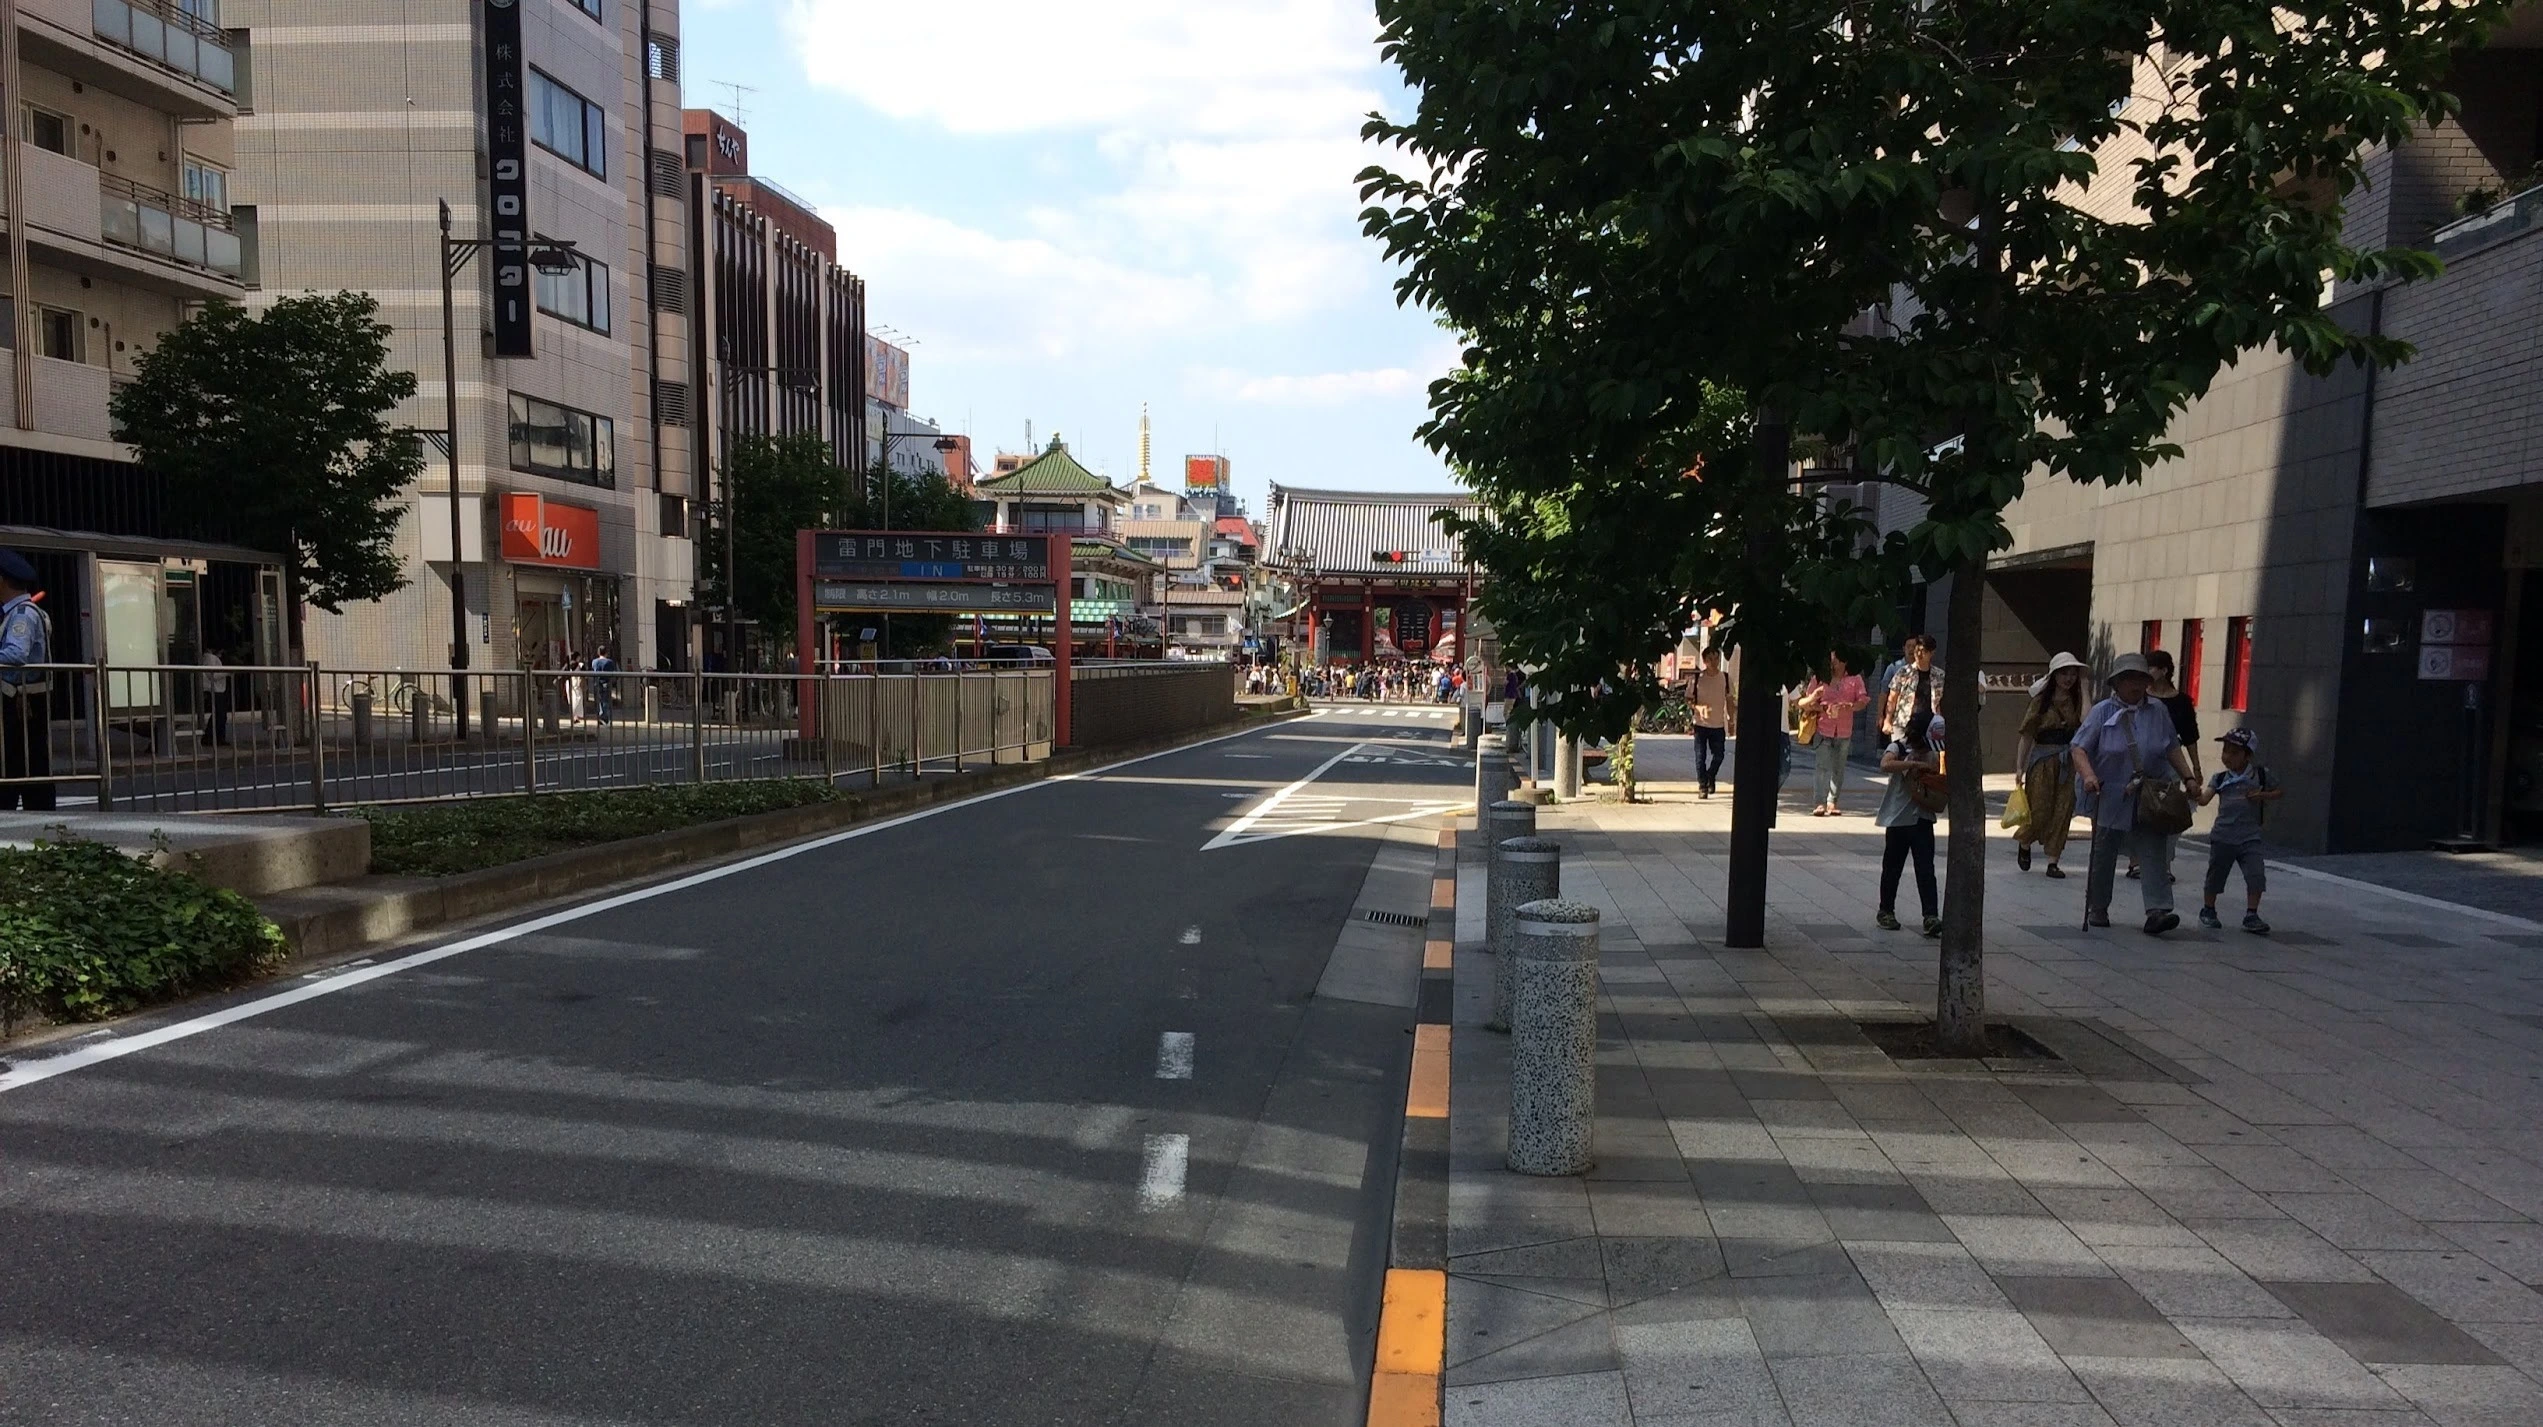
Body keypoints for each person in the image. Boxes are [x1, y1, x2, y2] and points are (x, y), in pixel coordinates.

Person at [2072, 652, 2211, 934]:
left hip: (2150, 792)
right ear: (2117, 683)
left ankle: (2158, 910)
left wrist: (2188, 777)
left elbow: (2171, 747)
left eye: (2140, 679)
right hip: (2111, 793)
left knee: (2155, 848)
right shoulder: (2102, 711)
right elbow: (2079, 748)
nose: (2135, 685)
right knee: (2104, 852)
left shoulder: (2158, 710)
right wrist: (2088, 775)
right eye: (2128, 679)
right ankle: (2098, 907)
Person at [2011, 651, 2088, 878]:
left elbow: (2086, 722)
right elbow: (2027, 735)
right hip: (2043, 760)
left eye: (2073, 673)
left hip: (2068, 761)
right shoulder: (2040, 702)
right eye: (2064, 673)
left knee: (2063, 809)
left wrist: (2085, 688)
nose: (2069, 678)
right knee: (2039, 808)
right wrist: (2019, 766)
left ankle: (2053, 860)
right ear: (2054, 675)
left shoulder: (2077, 700)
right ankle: (2025, 842)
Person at [2128, 648, 2203, 879]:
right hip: (2140, 760)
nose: (2146, 673)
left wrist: (2194, 769)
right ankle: (2136, 861)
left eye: (2150, 668)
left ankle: (2165, 864)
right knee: (2138, 811)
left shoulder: (2181, 702)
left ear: (2163, 670)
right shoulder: (2140, 699)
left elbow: (2189, 737)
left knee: (2165, 811)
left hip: (2170, 763)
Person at [2201, 727, 2281, 934]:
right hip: (2223, 836)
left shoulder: (2260, 776)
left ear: (2248, 755)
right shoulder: (2220, 778)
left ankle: (2251, 914)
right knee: (2216, 874)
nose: (2227, 756)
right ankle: (2209, 909)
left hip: (2250, 837)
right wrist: (2192, 793)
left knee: (2256, 875)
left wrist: (2262, 796)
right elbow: (2205, 799)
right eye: (2225, 751)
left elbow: (2279, 791)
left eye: (2234, 752)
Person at [1875, 713, 1945, 937]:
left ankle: (1930, 916)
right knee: (1892, 867)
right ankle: (1886, 911)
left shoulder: (1934, 752)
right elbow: (1885, 764)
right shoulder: (1898, 747)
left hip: (1923, 817)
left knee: (1926, 869)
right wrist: (1913, 763)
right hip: (1898, 818)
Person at [0, 549, 55, 811]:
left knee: (16, 762)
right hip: (24, 701)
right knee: (27, 763)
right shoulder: (21, 612)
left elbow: (16, 653)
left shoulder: (22, 614)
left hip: (20, 703)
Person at [1797, 651, 1868, 816]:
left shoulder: (1855, 679)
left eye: (1836, 661)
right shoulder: (1820, 678)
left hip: (1844, 730)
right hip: (1824, 728)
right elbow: (1805, 702)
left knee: (1839, 768)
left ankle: (1832, 802)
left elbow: (1863, 700)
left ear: (1844, 662)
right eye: (1831, 660)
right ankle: (1819, 802)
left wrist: (1850, 706)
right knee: (1821, 767)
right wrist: (1820, 704)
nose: (1833, 664)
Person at [1687, 646, 1734, 799]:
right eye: (1710, 659)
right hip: (1701, 724)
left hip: (1718, 724)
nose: (1714, 662)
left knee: (1719, 756)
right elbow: (1688, 699)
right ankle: (1703, 785)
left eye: (1716, 659)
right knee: (1700, 757)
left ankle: (1710, 775)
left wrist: (1731, 720)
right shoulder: (1697, 679)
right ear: (1704, 661)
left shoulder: (1725, 678)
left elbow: (1730, 700)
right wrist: (1698, 707)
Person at [1881, 634, 1944, 741]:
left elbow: (1940, 702)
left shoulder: (1939, 675)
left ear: (1931, 653)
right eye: (1917, 650)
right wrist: (1887, 720)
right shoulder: (1904, 672)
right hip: (1903, 722)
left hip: (1929, 725)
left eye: (1923, 651)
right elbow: (1892, 698)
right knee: (1898, 750)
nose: (1919, 654)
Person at [590, 646, 616, 726]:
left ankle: (600, 716)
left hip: (597, 683)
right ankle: (604, 717)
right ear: (606, 652)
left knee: (599, 700)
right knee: (606, 700)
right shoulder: (609, 662)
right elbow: (613, 671)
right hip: (606, 682)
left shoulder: (594, 662)